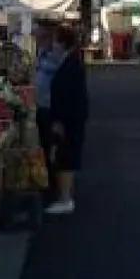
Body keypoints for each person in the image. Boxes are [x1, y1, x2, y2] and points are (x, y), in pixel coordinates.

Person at [45, 24, 90, 216]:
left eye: (55, 40)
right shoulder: (71, 60)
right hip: (72, 118)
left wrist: (59, 120)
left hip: (69, 120)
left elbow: (68, 96)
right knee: (66, 156)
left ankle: (65, 199)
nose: (52, 44)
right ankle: (65, 195)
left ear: (62, 43)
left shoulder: (70, 64)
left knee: (66, 157)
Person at [32, 21, 61, 169]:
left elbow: (57, 69)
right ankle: (48, 170)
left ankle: (51, 171)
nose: (35, 39)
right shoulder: (41, 51)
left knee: (50, 140)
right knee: (44, 140)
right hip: (41, 103)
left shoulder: (55, 52)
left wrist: (39, 64)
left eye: (37, 36)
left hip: (50, 104)